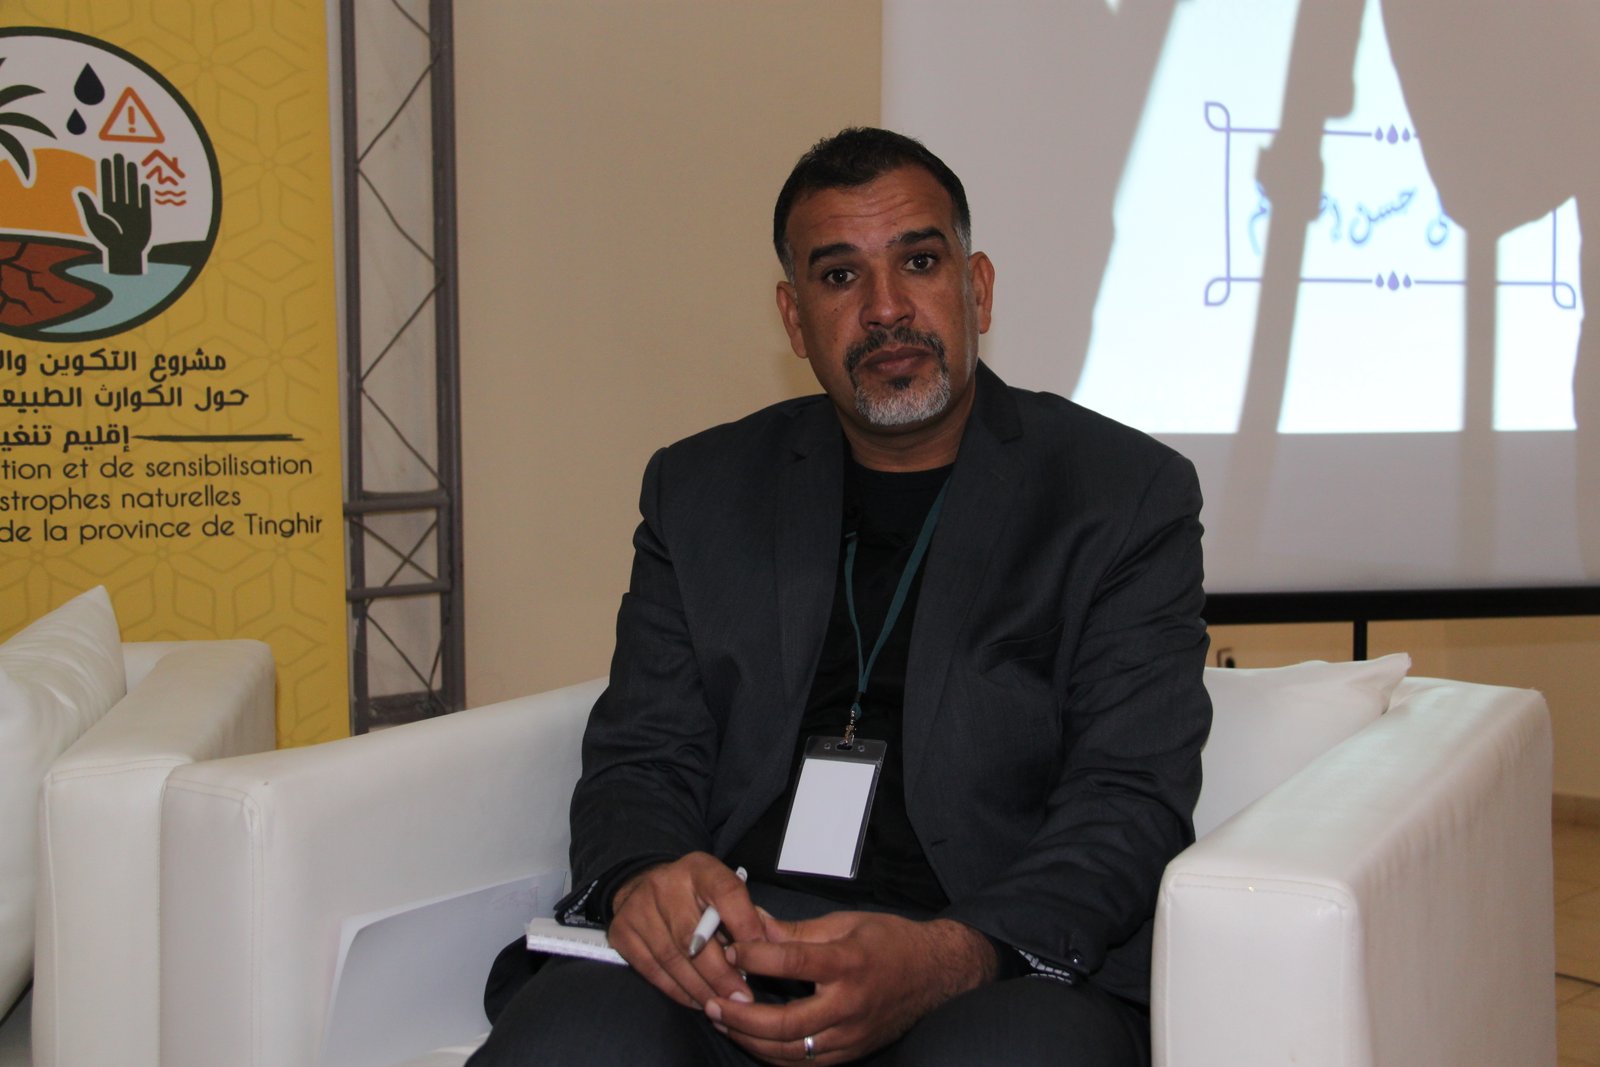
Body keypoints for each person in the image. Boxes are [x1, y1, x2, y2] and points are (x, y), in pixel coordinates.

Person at [468, 127, 1210, 1066]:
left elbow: (1128, 799)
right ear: (794, 317)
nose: (886, 308)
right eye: (840, 276)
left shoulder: (1119, 495)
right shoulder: (700, 490)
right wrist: (646, 875)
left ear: (977, 288)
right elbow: (642, 756)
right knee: (572, 1042)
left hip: (982, 961)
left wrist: (947, 956)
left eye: (920, 262)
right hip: (729, 952)